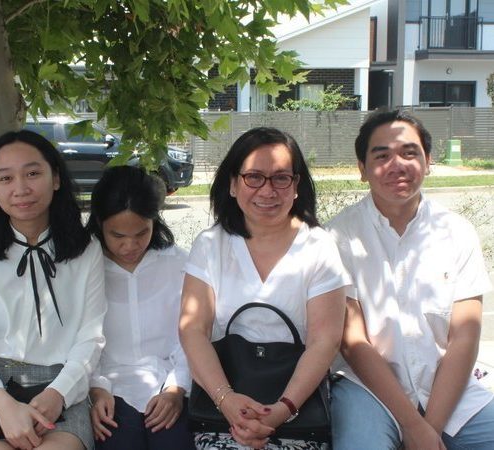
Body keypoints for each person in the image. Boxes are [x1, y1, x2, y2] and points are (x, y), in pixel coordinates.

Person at [327, 109, 494, 450]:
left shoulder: (456, 232)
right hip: (368, 387)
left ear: (428, 161)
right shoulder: (337, 236)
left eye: (409, 152)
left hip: (449, 384)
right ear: (362, 169)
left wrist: (427, 428)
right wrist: (412, 425)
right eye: (382, 155)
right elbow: (352, 340)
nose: (397, 165)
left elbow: (465, 335)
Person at [179, 127, 348, 450]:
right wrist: (227, 401)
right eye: (254, 177)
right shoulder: (211, 245)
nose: (268, 191)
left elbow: (325, 341)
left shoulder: (318, 246)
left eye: (281, 178)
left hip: (298, 404)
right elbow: (192, 330)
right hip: (224, 400)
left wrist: (281, 410)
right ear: (232, 183)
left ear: (296, 185)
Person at [0, 129, 107, 450]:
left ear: (56, 179)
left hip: (63, 384)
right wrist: (4, 406)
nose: (21, 189)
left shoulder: (86, 248)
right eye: (5, 179)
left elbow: (91, 338)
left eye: (33, 173)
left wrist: (57, 394)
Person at [85, 166, 195, 450]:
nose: (130, 246)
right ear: (99, 223)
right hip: (107, 389)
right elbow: (79, 338)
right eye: (118, 235)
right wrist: (96, 389)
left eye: (141, 233)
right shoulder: (84, 269)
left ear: (154, 222)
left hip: (168, 384)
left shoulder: (179, 264)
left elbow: (193, 334)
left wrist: (176, 387)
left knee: (173, 441)